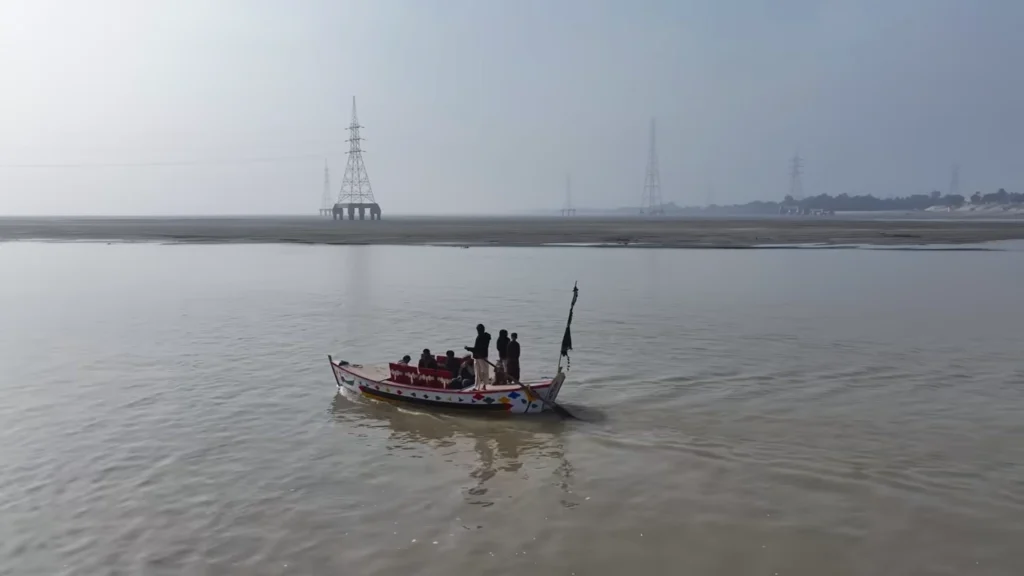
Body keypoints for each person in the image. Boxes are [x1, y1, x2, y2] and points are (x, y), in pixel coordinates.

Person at [464, 323, 491, 389]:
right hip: (479, 357)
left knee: (482, 371)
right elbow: (479, 348)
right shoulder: (485, 337)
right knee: (480, 372)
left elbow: (477, 349)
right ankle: (479, 386)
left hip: (481, 357)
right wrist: (471, 349)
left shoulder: (481, 337)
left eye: (478, 330)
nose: (478, 331)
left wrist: (468, 348)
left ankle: (483, 385)